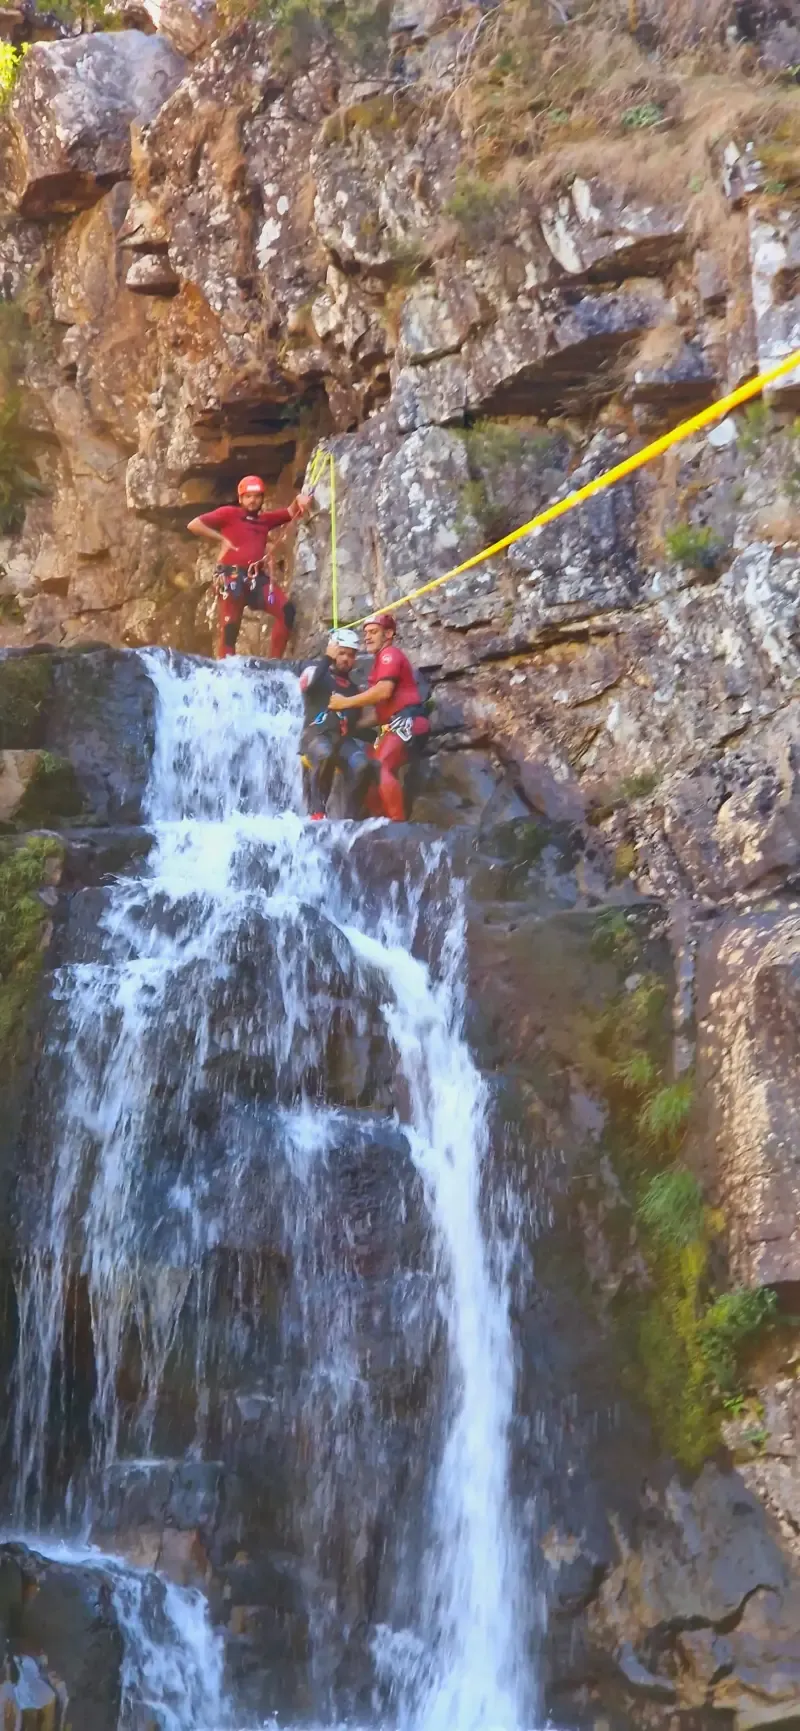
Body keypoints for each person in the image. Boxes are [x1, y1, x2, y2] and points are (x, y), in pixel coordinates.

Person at [187, 476, 312, 660]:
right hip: (231, 576)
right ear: (241, 499)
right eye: (248, 496)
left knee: (286, 611)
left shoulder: (265, 520)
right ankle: (226, 668)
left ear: (262, 498)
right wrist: (221, 539)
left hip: (255, 577)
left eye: (256, 496)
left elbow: (290, 511)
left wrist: (300, 498)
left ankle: (274, 664)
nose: (252, 500)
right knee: (230, 625)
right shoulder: (228, 513)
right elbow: (194, 524)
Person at [327, 613, 430, 821]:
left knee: (381, 765)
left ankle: (397, 824)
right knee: (368, 767)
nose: (367, 637)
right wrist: (352, 728)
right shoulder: (378, 663)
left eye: (373, 632)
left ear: (389, 634)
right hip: (393, 723)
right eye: (365, 633)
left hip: (407, 719)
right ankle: (379, 820)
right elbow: (380, 712)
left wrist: (345, 703)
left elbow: (383, 691)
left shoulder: (389, 654)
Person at [299, 629, 375, 821]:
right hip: (315, 735)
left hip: (341, 741)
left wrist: (379, 735)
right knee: (325, 754)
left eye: (350, 655)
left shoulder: (354, 689)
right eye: (341, 653)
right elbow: (309, 686)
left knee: (363, 766)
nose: (346, 659)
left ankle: (350, 819)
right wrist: (326, 658)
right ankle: (318, 812)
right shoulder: (315, 673)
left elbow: (355, 726)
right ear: (332, 651)